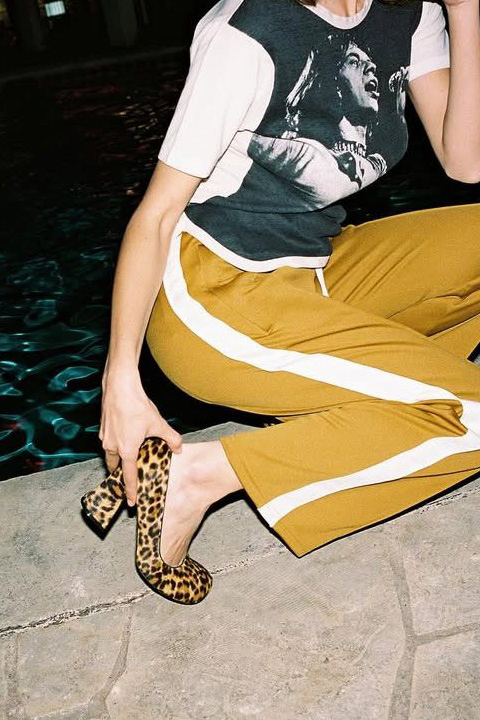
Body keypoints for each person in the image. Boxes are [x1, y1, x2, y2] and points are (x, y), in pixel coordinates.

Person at [98, 0, 480, 587]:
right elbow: (156, 215)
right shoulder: (248, 31)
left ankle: (383, 399)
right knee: (470, 415)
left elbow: (466, 162)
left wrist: (465, 11)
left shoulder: (410, 10)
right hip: (214, 290)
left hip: (318, 263)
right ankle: (201, 475)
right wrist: (120, 380)